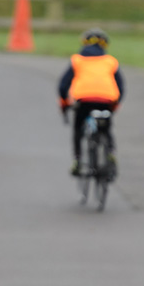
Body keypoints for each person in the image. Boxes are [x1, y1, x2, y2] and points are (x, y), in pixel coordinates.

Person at [57, 28, 124, 176]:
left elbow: (63, 85)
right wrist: (115, 104)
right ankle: (110, 152)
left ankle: (78, 160)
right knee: (106, 126)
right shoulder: (110, 61)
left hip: (84, 99)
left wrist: (64, 103)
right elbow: (120, 86)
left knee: (78, 128)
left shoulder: (77, 60)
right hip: (107, 99)